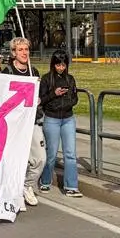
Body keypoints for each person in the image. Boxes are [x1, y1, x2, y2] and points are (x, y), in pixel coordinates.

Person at [6, 37, 46, 208]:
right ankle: (15, 193)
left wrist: (38, 99)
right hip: (15, 123)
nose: (24, 53)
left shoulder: (33, 71)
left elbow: (39, 94)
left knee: (40, 158)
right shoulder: (7, 71)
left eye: (26, 49)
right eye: (20, 50)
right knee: (16, 160)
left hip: (33, 121)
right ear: (13, 53)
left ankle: (27, 185)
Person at [37, 50, 81, 197]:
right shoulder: (46, 79)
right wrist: (54, 94)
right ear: (53, 64)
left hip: (68, 118)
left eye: (63, 65)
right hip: (52, 119)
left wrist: (69, 102)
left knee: (70, 153)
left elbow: (75, 97)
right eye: (58, 65)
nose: (61, 68)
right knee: (51, 153)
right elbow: (40, 100)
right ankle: (45, 181)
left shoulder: (70, 79)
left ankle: (71, 186)